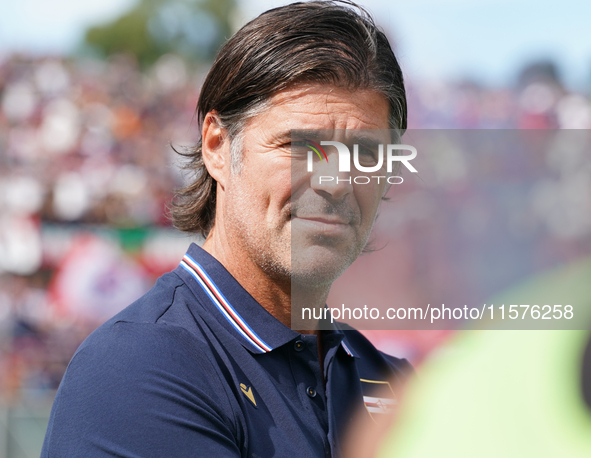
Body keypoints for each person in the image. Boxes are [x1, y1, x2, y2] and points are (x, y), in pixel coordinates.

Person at [41, 2, 412, 457]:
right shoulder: (137, 365)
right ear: (217, 146)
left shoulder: (395, 383)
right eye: (302, 146)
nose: (336, 182)